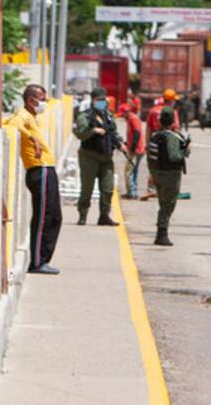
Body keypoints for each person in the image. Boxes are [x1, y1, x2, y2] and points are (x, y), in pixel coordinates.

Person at [15, 84, 61, 274]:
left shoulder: (33, 117)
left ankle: (44, 259)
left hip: (47, 168)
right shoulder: (23, 114)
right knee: (43, 217)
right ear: (30, 100)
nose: (44, 103)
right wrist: (30, 137)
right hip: (38, 169)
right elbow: (13, 124)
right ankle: (37, 261)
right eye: (41, 99)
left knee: (55, 216)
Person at [73, 86, 124, 226]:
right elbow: (80, 133)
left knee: (108, 189)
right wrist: (93, 130)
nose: (102, 102)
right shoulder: (85, 116)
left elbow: (113, 133)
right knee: (87, 188)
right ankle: (83, 215)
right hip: (89, 156)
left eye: (103, 99)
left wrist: (120, 143)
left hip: (106, 157)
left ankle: (104, 216)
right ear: (93, 99)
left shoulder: (107, 115)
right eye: (99, 99)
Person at [146, 108, 190, 246]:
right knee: (167, 205)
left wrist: (152, 174)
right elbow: (174, 156)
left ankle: (161, 232)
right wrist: (186, 151)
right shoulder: (172, 137)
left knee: (163, 204)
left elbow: (150, 157)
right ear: (173, 121)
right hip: (170, 175)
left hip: (157, 173)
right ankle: (161, 235)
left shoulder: (155, 136)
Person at [118, 100, 146, 199]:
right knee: (134, 171)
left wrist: (132, 149)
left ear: (126, 112)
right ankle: (133, 191)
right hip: (137, 149)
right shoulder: (131, 118)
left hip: (136, 150)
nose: (122, 117)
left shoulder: (133, 118)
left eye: (123, 114)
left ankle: (131, 193)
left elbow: (137, 133)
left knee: (128, 171)